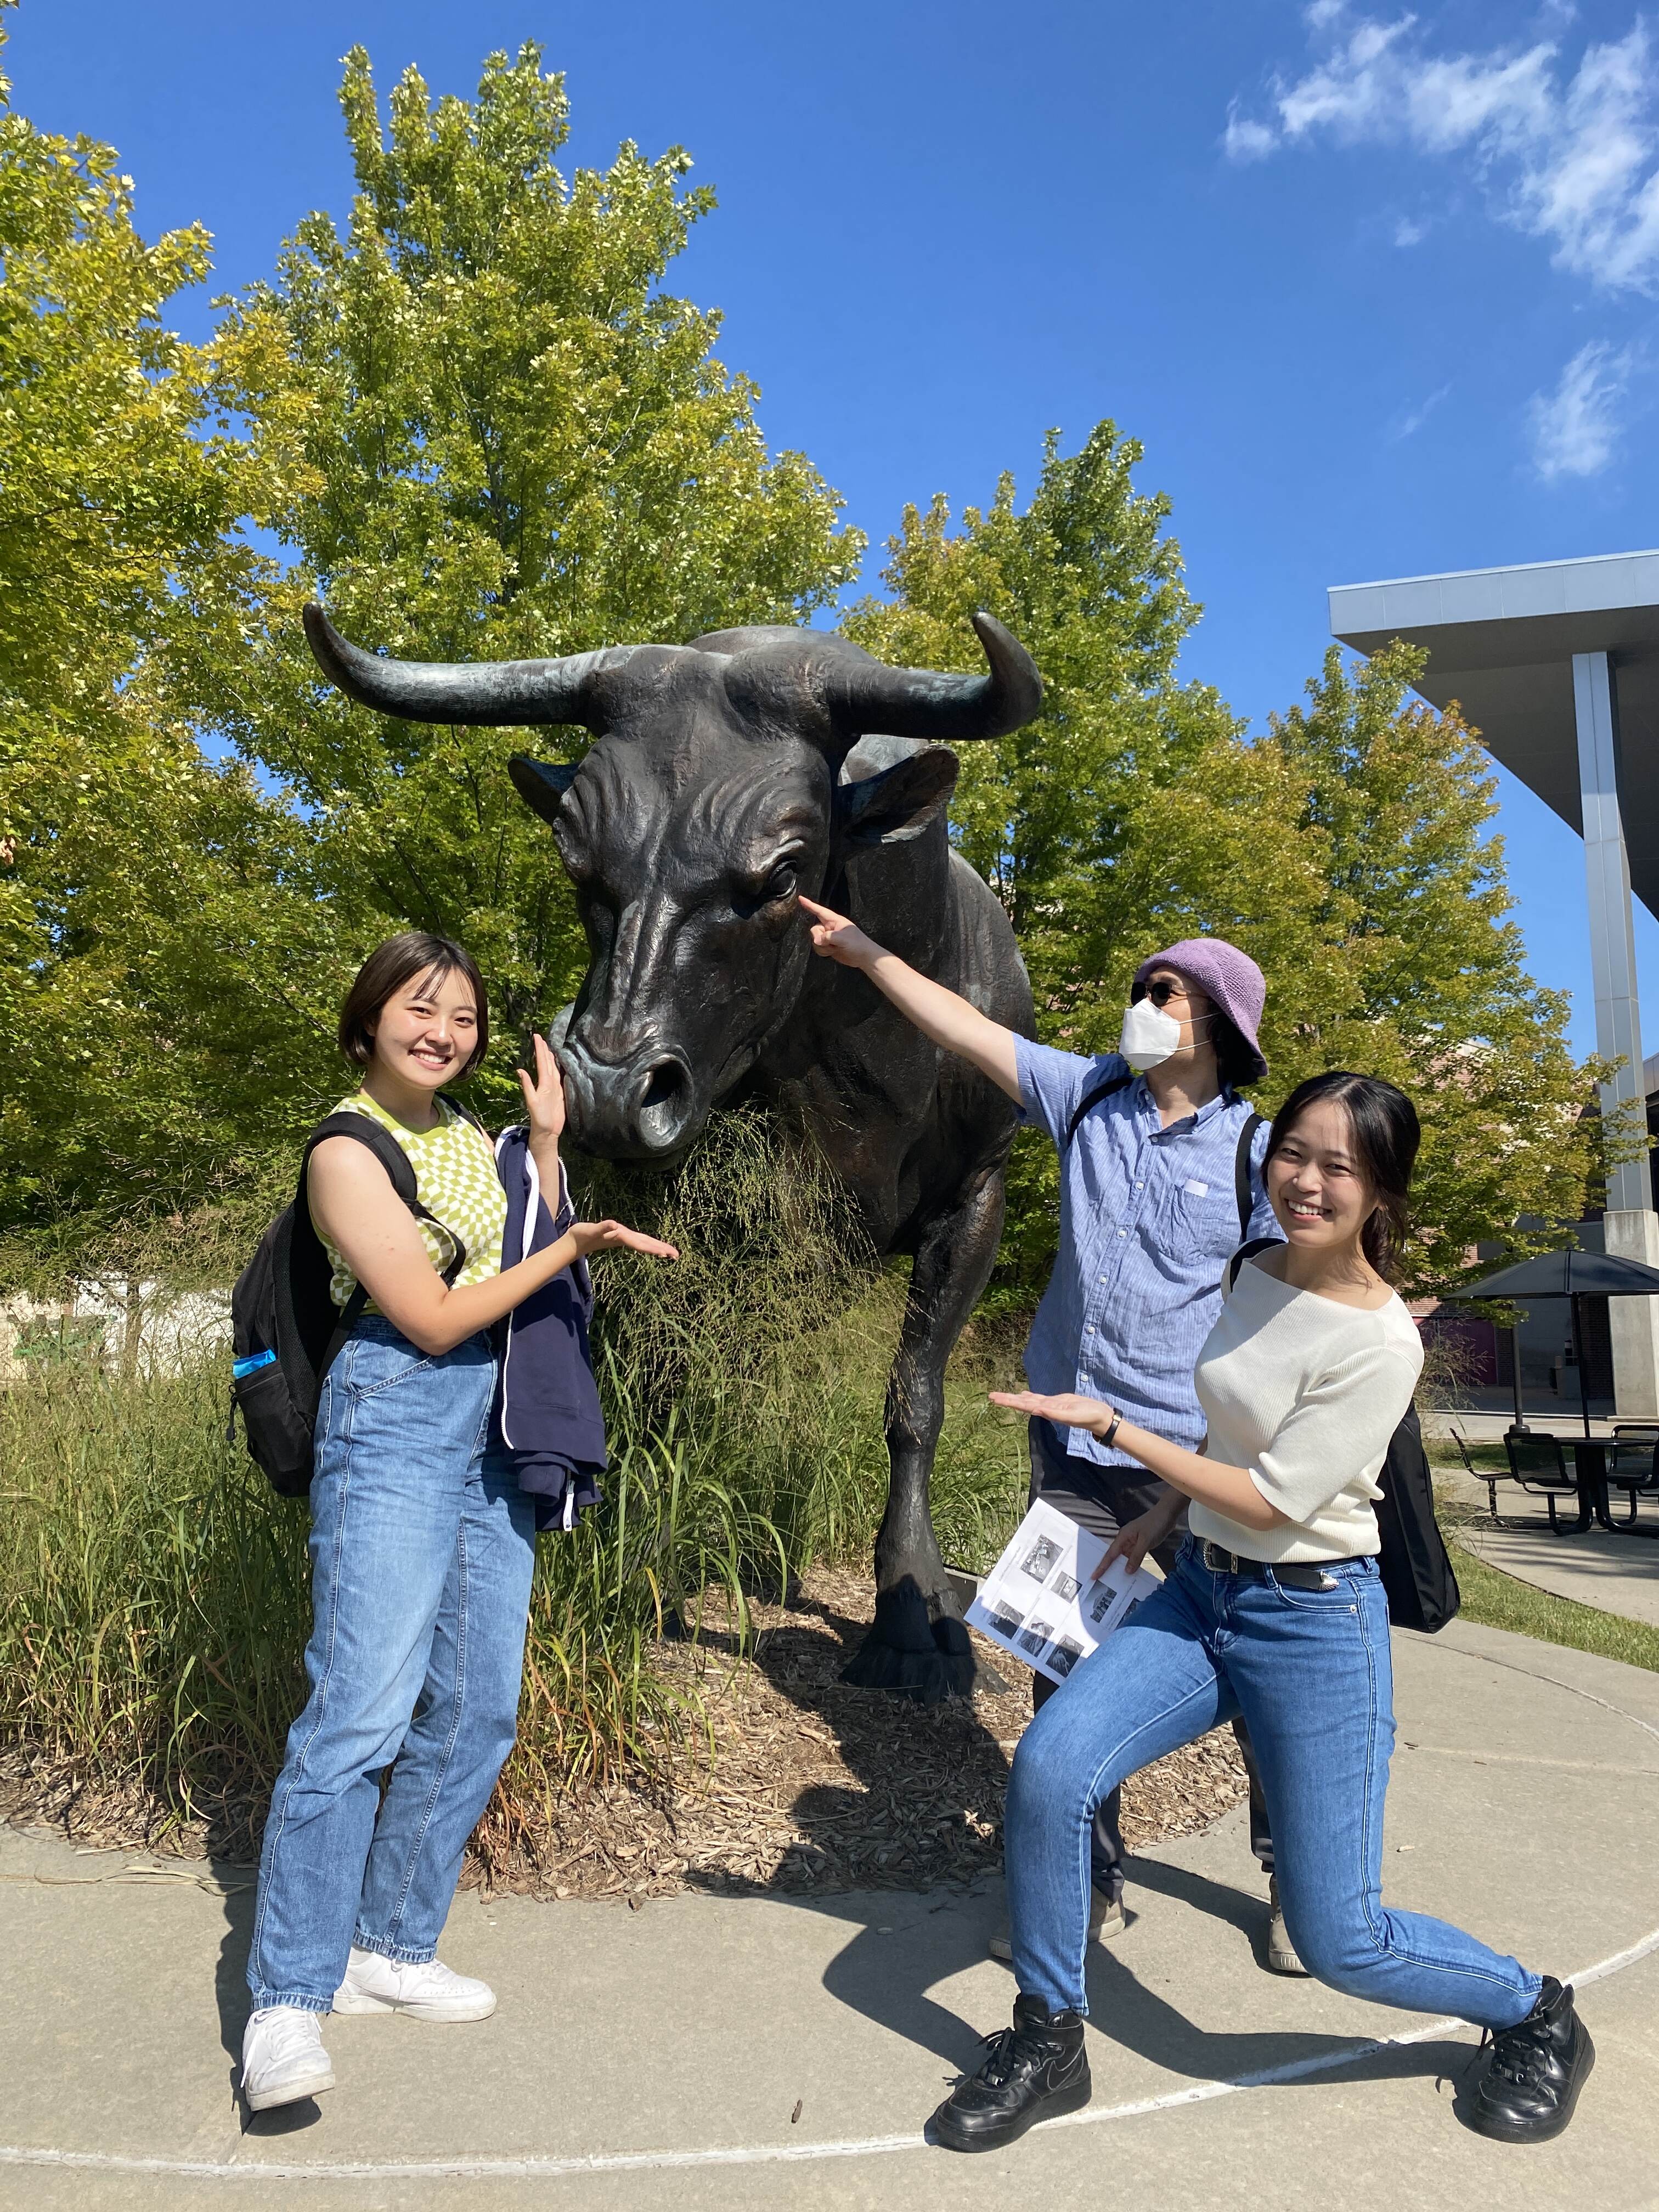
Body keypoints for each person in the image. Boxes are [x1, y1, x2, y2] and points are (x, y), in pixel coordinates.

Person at [929, 1071, 1594, 2154]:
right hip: (1204, 1591)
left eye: (1340, 1165)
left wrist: (1120, 1434)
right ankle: (1050, 2032)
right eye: (1295, 1153)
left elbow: (1282, 1496)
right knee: (1054, 1766)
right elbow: (1235, 1435)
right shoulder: (1254, 1267)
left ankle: (1534, 2010)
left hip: (1314, 1623)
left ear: (1381, 1189)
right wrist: (1159, 1520)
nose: (1308, 1180)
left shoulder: (1381, 1343)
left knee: (1343, 1940)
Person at [798, 899, 1294, 1964]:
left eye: (1164, 993)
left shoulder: (1258, 1152)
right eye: (1142, 989)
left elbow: (1284, 1312)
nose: (1141, 1007)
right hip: (1076, 1437)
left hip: (1197, 1457)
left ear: (1216, 1023)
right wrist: (865, 945)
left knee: (1254, 1666)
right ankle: (1090, 1870)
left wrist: (1233, 1454)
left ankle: (1287, 1863)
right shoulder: (1087, 1097)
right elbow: (964, 1028)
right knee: (1061, 1655)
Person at [241, 932, 676, 2114]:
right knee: (361, 1709)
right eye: (419, 1011)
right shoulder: (348, 1149)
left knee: (476, 1701)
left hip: (494, 1422)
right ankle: (287, 1995)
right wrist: (573, 1246)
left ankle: (391, 1947)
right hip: (395, 1412)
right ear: (368, 1018)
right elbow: (432, 1316)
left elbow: (525, 1247)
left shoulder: (467, 1141)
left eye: (465, 1018)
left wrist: (543, 1146)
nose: (444, 1033)